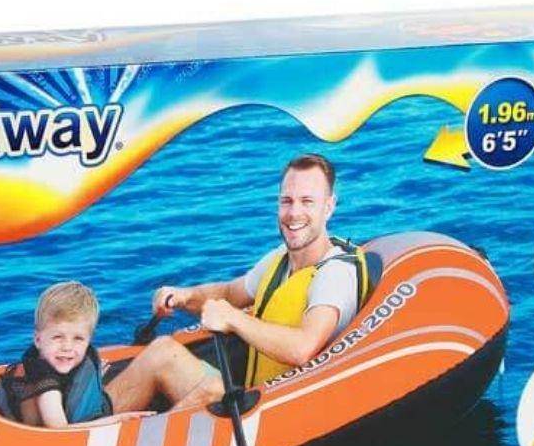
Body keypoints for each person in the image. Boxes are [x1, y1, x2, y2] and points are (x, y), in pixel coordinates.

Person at [106, 154, 367, 414]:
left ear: (329, 206)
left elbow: (303, 348)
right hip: (259, 393)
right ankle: (92, 423)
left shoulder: (335, 273)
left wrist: (232, 319)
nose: (293, 213)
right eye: (286, 201)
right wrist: (185, 296)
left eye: (307, 201)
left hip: (286, 410)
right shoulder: (281, 259)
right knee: (162, 351)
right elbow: (230, 293)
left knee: (210, 390)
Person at [0, 281, 112, 428]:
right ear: (38, 340)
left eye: (78, 338)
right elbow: (58, 429)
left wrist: (91, 382)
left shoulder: (64, 362)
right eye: (57, 337)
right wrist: (117, 420)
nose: (67, 347)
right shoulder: (44, 381)